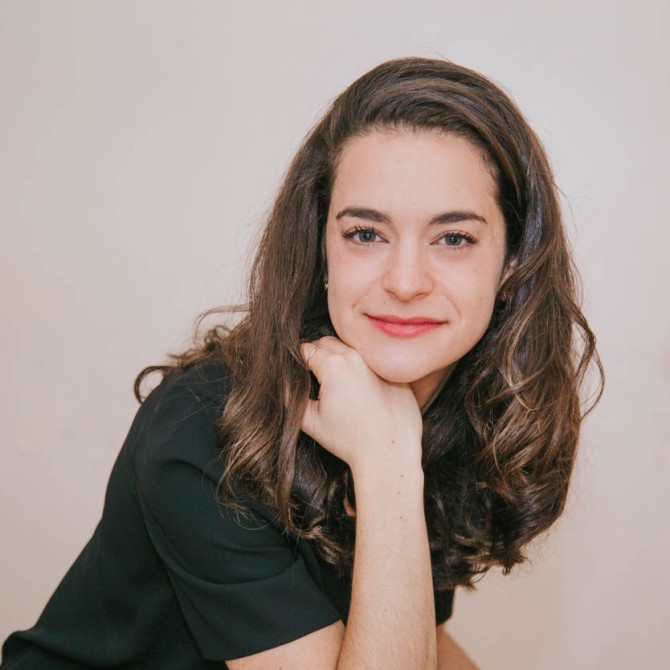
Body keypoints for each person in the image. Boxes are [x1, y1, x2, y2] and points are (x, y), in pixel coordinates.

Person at [1, 57, 602, 669]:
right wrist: (387, 465)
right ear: (320, 248)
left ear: (512, 261)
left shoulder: (446, 402)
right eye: (365, 233)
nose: (405, 282)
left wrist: (391, 462)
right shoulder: (203, 431)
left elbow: (422, 644)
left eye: (453, 238)